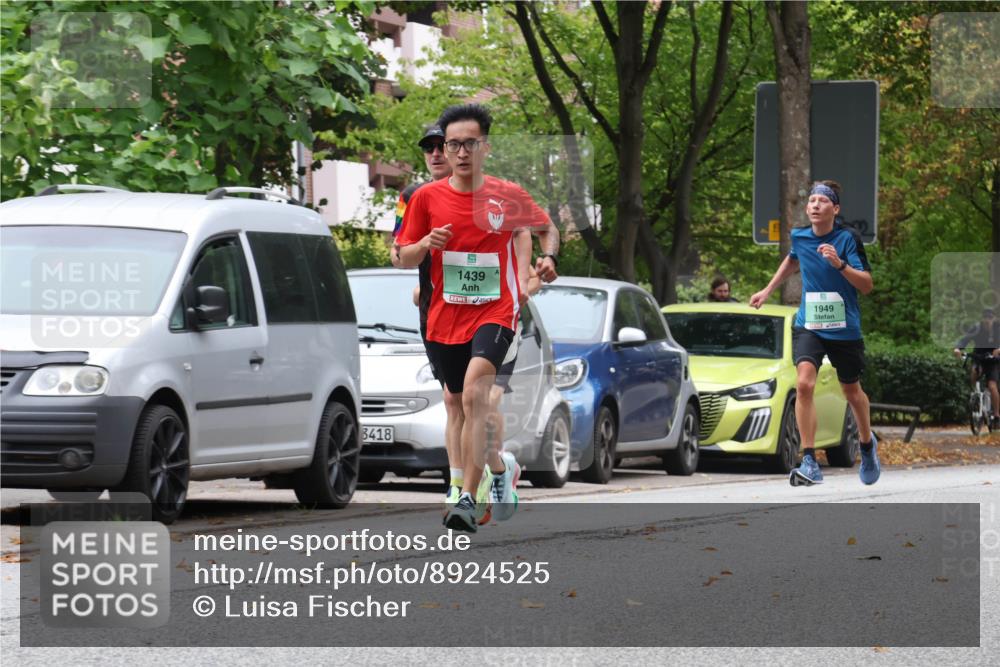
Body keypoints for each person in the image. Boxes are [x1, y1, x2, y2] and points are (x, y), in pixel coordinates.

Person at [397, 103, 559, 532]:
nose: (461, 152)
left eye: (470, 143)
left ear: (485, 147)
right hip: (443, 320)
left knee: (475, 396)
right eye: (453, 144)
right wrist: (426, 245)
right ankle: (500, 471)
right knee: (458, 402)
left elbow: (547, 229)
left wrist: (547, 259)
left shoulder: (508, 196)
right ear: (446, 150)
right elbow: (400, 256)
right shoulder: (424, 199)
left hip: (496, 312)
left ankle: (467, 498)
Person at [750, 180, 880, 486]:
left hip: (844, 328)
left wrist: (839, 264)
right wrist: (768, 290)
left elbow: (866, 285)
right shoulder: (800, 236)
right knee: (804, 384)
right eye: (812, 201)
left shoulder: (847, 239)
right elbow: (793, 259)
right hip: (810, 324)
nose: (815, 205)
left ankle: (866, 444)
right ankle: (809, 460)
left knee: (852, 392)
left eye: (823, 201)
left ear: (835, 209)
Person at [953, 308, 1000, 428]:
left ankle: (996, 415)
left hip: (992, 360)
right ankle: (975, 395)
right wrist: (958, 348)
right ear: (982, 319)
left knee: (992, 386)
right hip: (978, 357)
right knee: (974, 373)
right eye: (985, 318)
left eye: (990, 318)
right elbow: (965, 339)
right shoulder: (976, 328)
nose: (987, 321)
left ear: (994, 319)